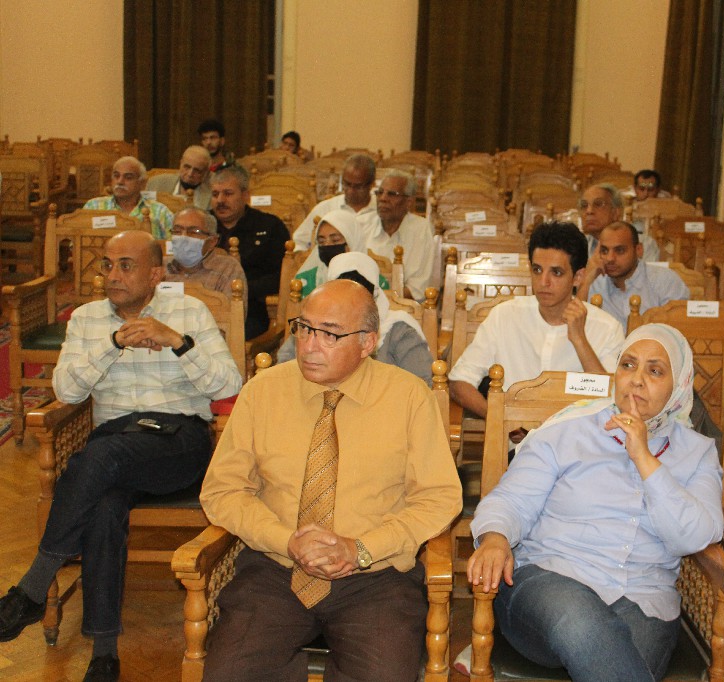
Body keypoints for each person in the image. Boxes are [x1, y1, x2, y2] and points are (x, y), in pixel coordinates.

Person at [0, 230, 242, 682]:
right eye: (107, 265)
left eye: (126, 266)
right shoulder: (86, 319)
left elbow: (229, 384)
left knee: (99, 459)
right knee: (104, 505)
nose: (113, 275)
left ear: (155, 274)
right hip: (114, 442)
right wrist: (112, 343)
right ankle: (104, 654)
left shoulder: (190, 311)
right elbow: (66, 390)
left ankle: (33, 587)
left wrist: (177, 341)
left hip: (177, 440)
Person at [199, 279, 462, 681]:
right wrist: (285, 540)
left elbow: (439, 498)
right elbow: (223, 490)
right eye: (304, 328)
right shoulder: (263, 392)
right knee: (230, 674)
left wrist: (361, 549)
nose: (309, 346)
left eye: (330, 334)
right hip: (275, 570)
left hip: (375, 578)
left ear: (367, 342)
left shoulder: (408, 397)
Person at [468, 323, 724, 681]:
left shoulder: (697, 453)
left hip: (644, 599)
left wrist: (645, 458)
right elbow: (511, 499)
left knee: (623, 661)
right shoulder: (567, 430)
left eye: (655, 371)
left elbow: (696, 535)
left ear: (679, 384)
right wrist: (495, 537)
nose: (637, 380)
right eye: (628, 365)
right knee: (584, 622)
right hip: (548, 583)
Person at [449, 221, 625, 419]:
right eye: (537, 270)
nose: (543, 282)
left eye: (556, 272)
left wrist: (579, 340)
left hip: (577, 435)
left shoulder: (607, 328)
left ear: (578, 277)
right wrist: (500, 420)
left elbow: (612, 401)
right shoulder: (504, 316)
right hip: (515, 435)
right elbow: (459, 382)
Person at [279, 252, 432, 384]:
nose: (352, 300)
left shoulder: (400, 330)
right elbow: (284, 371)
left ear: (374, 295)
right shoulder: (310, 324)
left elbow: (421, 384)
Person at [210, 165, 290, 339]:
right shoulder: (202, 226)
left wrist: (243, 289)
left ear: (245, 195)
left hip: (252, 309)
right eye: (215, 194)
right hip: (205, 307)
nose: (220, 200)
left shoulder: (269, 226)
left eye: (228, 193)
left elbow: (281, 275)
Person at [580, 221, 689, 329]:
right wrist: (586, 281)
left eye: (619, 250)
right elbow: (575, 325)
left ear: (638, 250)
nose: (610, 258)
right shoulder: (594, 284)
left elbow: (682, 329)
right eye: (604, 251)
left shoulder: (665, 281)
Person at [364, 169, 434, 301]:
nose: (383, 199)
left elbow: (417, 289)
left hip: (404, 306)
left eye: (392, 194)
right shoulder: (362, 225)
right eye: (380, 193)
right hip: (363, 304)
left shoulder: (422, 230)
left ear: (409, 202)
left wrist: (382, 301)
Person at [163, 207, 248, 314]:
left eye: (194, 232)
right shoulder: (160, 266)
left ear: (212, 241)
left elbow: (233, 318)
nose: (183, 237)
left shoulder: (228, 268)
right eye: (177, 231)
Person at [292, 153, 378, 250]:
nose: (350, 190)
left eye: (357, 187)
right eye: (347, 184)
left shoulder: (383, 211)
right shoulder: (325, 208)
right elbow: (299, 243)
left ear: (372, 185)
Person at [84, 156, 173, 239]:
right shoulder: (93, 207)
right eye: (116, 176)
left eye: (128, 177)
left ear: (142, 183)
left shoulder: (160, 212)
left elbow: (174, 246)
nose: (120, 181)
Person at [293, 209, 369, 297]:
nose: (327, 245)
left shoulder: (372, 281)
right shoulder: (302, 282)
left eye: (335, 240)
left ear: (353, 242)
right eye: (321, 242)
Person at [580, 183, 660, 262]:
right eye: (584, 205)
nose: (589, 211)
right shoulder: (578, 246)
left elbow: (648, 271)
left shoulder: (644, 244)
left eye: (598, 204)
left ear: (616, 213)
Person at [145, 145, 214, 210]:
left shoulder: (212, 194)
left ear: (206, 173)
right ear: (180, 163)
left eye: (196, 170)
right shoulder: (156, 183)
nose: (190, 174)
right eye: (187, 167)